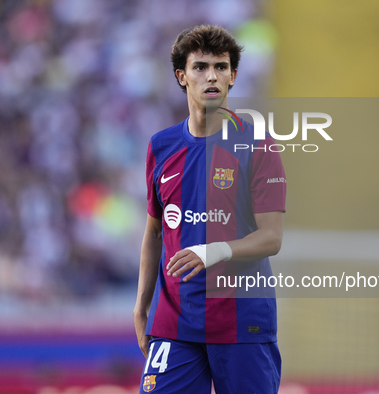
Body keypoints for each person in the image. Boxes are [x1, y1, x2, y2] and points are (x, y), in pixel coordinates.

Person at [133, 25, 287, 393]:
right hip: (175, 322)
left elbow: (271, 237)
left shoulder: (258, 146)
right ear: (181, 77)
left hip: (242, 323)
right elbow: (155, 232)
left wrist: (214, 251)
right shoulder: (161, 146)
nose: (211, 75)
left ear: (233, 76)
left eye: (221, 66)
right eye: (200, 67)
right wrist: (142, 307)